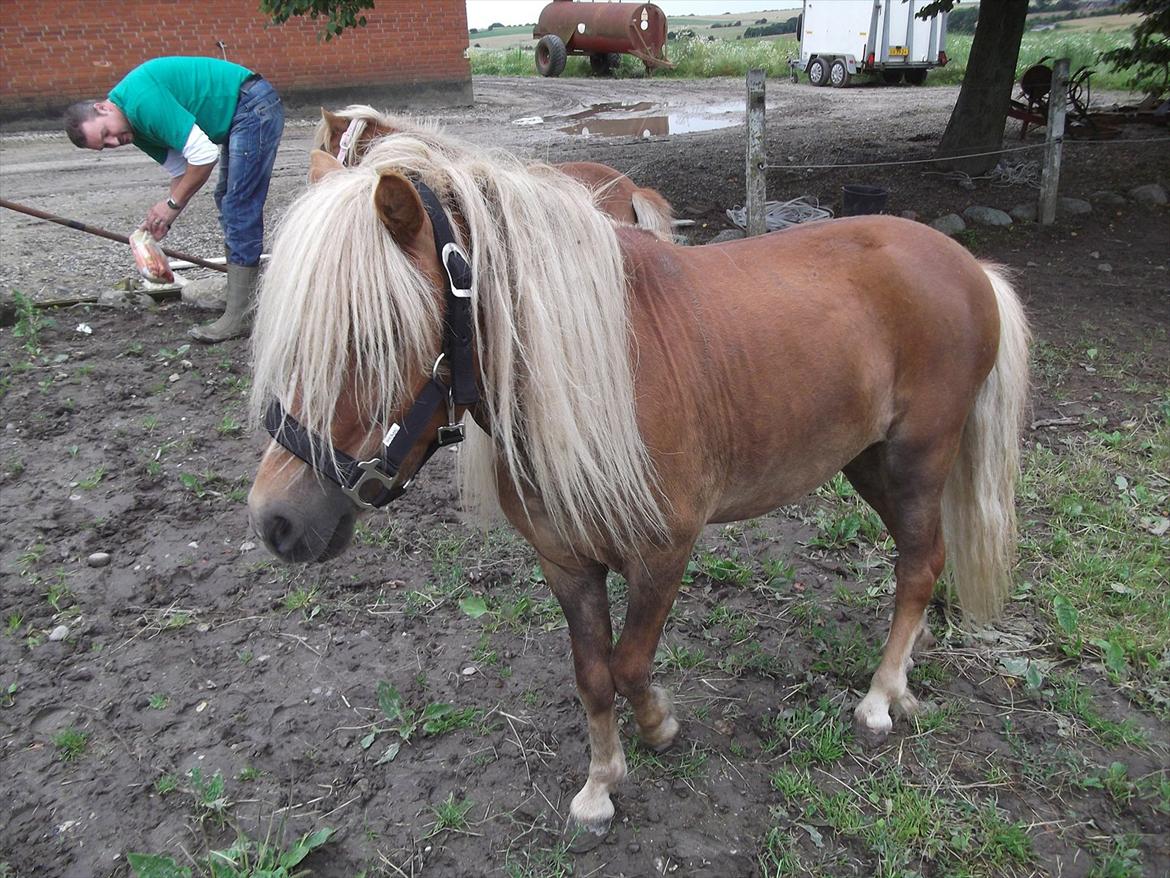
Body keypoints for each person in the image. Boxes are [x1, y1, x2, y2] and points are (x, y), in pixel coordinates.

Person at [64, 56, 284, 342]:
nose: (114, 142)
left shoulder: (142, 102)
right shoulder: (133, 127)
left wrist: (171, 206)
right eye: (105, 146)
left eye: (107, 133)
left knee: (238, 205)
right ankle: (242, 299)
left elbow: (204, 156)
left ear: (103, 108)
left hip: (252, 104)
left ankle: (241, 315)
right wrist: (161, 219)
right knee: (227, 199)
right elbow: (183, 171)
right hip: (241, 110)